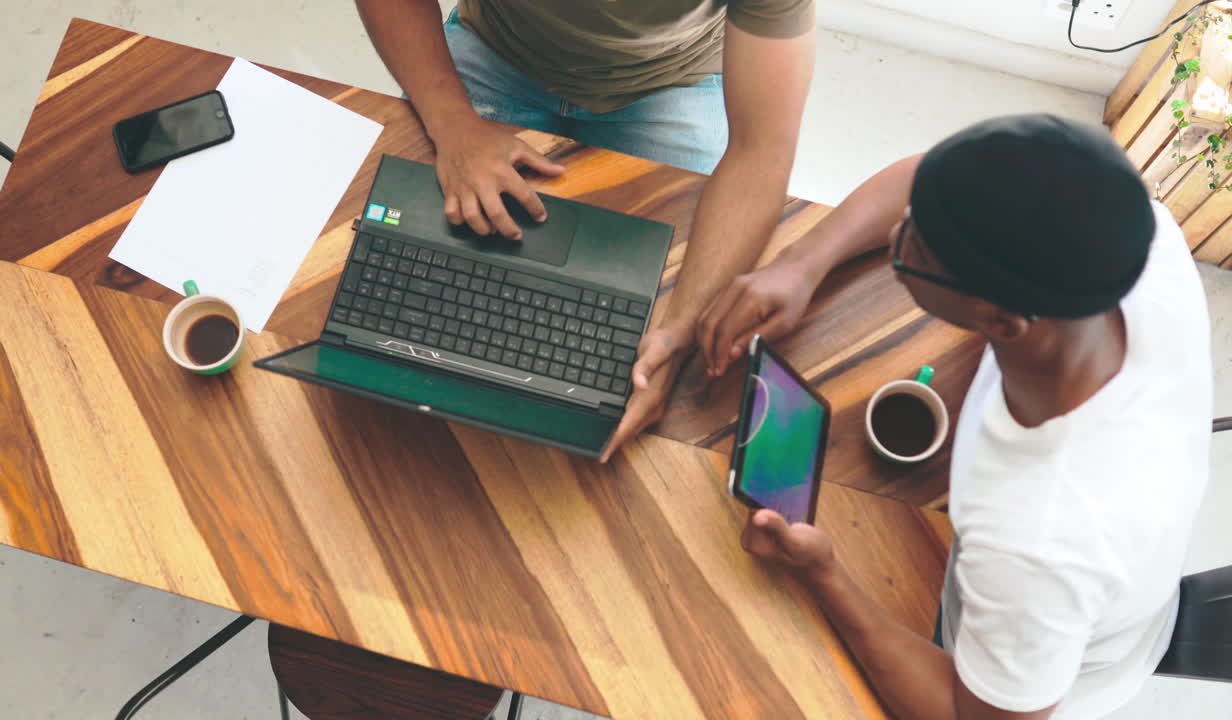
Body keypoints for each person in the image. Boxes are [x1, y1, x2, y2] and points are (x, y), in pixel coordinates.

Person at [723, 115, 1212, 719]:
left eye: (913, 248)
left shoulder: (1038, 539)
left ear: (1003, 322)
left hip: (1010, 670)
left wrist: (824, 575)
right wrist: (802, 261)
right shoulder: (1132, 238)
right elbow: (927, 185)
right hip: (1079, 595)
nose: (898, 227)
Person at [355, 1, 817, 459]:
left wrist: (679, 335)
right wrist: (452, 123)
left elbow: (762, 151)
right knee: (405, 287)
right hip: (496, 47)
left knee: (650, 324)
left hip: (674, 79)